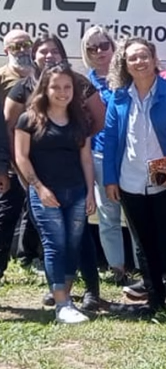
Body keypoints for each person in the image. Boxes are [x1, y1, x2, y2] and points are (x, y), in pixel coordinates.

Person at [6, 36, 105, 309]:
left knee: (72, 246)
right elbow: (21, 156)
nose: (62, 92)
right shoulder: (29, 119)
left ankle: (65, 294)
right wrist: (38, 187)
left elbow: (86, 159)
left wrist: (89, 193)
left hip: (76, 191)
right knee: (54, 245)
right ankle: (62, 304)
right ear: (45, 89)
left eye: (66, 87)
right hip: (45, 193)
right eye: (56, 87)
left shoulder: (77, 121)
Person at [103, 37, 166, 321]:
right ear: (126, 65)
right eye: (133, 58)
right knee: (144, 246)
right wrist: (110, 180)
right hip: (130, 182)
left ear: (154, 60)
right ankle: (154, 302)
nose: (139, 62)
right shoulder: (118, 97)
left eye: (144, 56)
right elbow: (109, 144)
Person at [82, 26, 134, 287]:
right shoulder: (83, 84)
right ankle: (118, 268)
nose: (99, 52)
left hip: (131, 156)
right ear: (86, 53)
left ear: (113, 48)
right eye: (92, 48)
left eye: (104, 45)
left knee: (136, 216)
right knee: (108, 217)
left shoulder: (129, 78)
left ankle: (142, 266)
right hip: (100, 156)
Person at [0, 30, 43, 282]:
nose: (22, 50)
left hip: (40, 154)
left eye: (26, 44)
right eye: (16, 46)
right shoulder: (2, 78)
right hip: (10, 156)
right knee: (7, 213)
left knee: (34, 208)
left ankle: (28, 255)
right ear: (7, 51)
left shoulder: (41, 77)